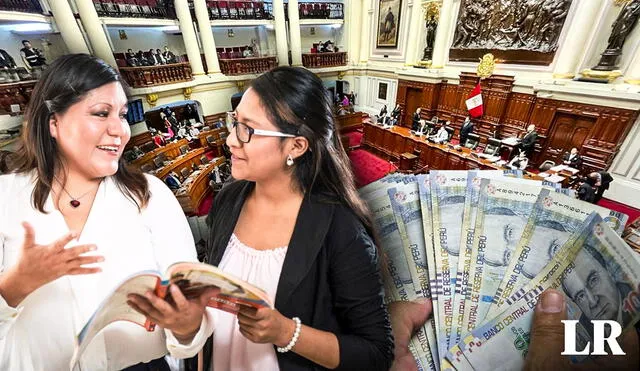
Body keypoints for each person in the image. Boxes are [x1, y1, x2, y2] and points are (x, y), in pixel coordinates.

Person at [133, 67, 394, 370]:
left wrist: (286, 333)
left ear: (296, 146)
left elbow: (376, 353)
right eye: (235, 123)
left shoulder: (341, 230)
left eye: (248, 129)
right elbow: (217, 320)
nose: (230, 140)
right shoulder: (229, 200)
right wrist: (187, 323)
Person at [0, 54, 213, 370]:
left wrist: (187, 325)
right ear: (53, 122)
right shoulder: (6, 197)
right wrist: (15, 285)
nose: (120, 130)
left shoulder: (150, 195)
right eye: (101, 113)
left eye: (123, 114)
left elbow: (188, 326)